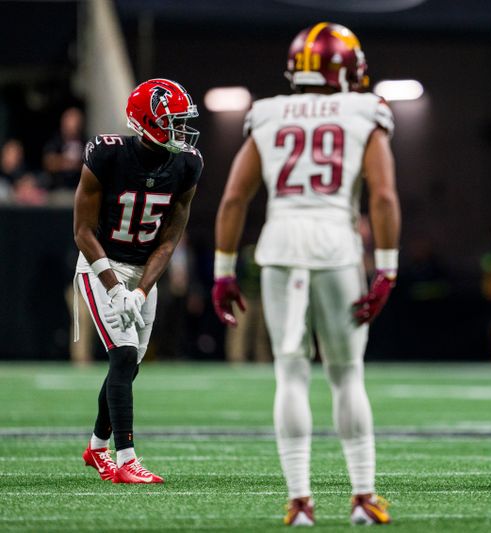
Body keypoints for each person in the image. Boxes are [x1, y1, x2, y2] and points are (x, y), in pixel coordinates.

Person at [212, 22, 400, 526]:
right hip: (336, 245)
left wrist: (223, 270)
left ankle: (299, 503)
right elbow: (382, 196)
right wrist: (386, 268)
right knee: (346, 375)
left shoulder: (268, 112)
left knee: (289, 374)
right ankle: (362, 496)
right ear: (346, 68)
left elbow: (234, 197)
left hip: (280, 246)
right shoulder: (365, 110)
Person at [73, 79, 202, 483]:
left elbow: (168, 241)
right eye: (174, 122)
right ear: (148, 122)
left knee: (128, 366)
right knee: (124, 357)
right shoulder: (107, 154)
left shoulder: (187, 164)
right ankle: (126, 459)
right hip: (102, 264)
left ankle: (96, 450)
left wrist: (141, 289)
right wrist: (114, 287)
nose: (182, 130)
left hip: (144, 268)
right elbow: (82, 231)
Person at [43, 107, 86, 190]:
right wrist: (68, 163)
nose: (72, 127)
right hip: (58, 187)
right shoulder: (55, 142)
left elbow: (90, 165)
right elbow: (49, 162)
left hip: (78, 188)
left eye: (76, 123)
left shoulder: (85, 143)